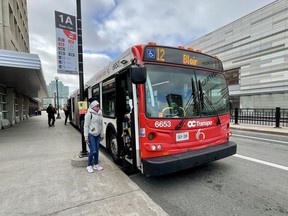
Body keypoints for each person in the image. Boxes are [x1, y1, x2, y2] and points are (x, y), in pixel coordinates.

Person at [83, 100, 104, 173]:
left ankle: (96, 164)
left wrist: (102, 134)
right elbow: (86, 126)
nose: (98, 107)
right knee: (93, 150)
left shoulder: (100, 113)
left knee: (97, 150)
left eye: (99, 106)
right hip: (91, 135)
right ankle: (88, 165)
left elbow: (101, 125)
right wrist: (86, 137)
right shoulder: (89, 114)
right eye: (96, 106)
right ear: (92, 107)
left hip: (97, 135)